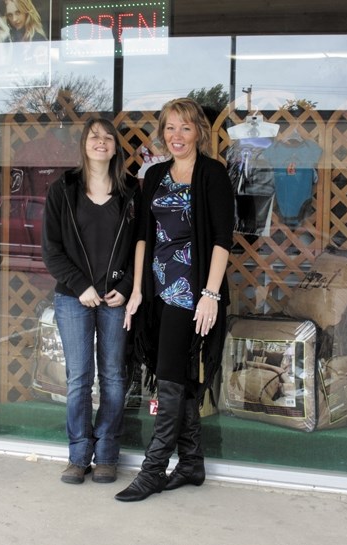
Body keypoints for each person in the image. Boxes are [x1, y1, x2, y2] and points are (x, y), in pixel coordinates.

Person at [115, 98, 235, 502]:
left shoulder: (212, 175)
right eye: (169, 128)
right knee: (177, 375)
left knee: (168, 376)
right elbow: (143, 238)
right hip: (158, 292)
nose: (177, 136)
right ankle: (191, 463)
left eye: (184, 128)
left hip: (193, 293)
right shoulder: (154, 175)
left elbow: (222, 240)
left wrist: (210, 294)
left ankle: (153, 469)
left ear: (198, 130)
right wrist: (135, 292)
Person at [42, 118, 139, 485]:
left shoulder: (131, 192)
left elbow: (141, 248)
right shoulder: (62, 189)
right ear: (84, 144)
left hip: (114, 299)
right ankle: (79, 456)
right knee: (79, 378)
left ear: (116, 147)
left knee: (113, 377)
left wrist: (127, 286)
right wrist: (80, 284)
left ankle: (107, 455)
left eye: (108, 137)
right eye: (94, 136)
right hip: (73, 298)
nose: (101, 142)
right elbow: (51, 251)